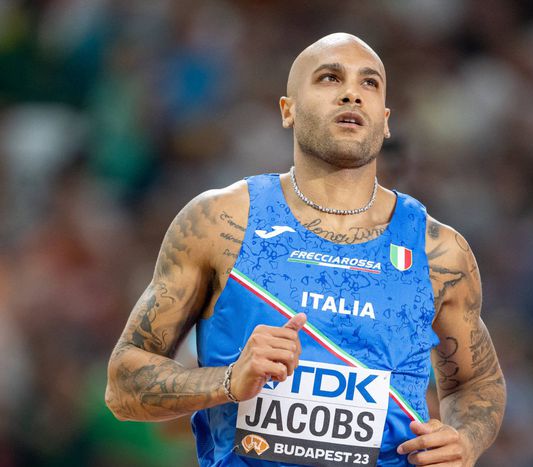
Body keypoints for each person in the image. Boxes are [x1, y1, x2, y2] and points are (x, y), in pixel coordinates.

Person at [105, 32, 506, 467]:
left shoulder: (438, 251)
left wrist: (466, 440)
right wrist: (228, 381)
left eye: (369, 83)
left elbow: (477, 382)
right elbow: (123, 385)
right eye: (330, 78)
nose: (352, 93)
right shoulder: (220, 222)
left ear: (386, 119)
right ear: (288, 109)